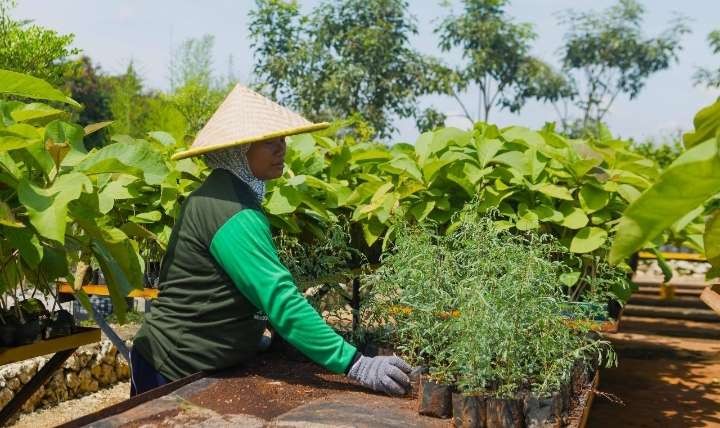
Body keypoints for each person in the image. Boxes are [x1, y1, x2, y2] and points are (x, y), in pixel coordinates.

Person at [131, 85, 412, 397]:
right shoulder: (232, 212)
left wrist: (250, 334)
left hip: (195, 364)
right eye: (268, 141)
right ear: (237, 149)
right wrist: (356, 364)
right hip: (173, 368)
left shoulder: (224, 194)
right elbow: (279, 298)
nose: (282, 147)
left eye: (282, 137)